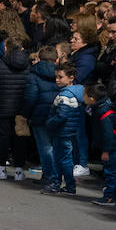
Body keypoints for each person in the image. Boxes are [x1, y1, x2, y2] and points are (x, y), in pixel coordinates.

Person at [0, 40, 30, 180]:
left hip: (2, 107)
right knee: (20, 138)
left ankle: (1, 168)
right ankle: (19, 171)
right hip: (21, 109)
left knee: (2, 137)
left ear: (6, 48)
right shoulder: (28, 66)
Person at [42, 62, 85, 196]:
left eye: (60, 77)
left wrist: (49, 123)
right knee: (66, 158)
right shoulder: (77, 92)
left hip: (61, 131)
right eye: (56, 77)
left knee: (60, 159)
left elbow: (61, 115)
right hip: (69, 130)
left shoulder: (65, 95)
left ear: (71, 78)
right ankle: (68, 185)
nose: (57, 80)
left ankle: (57, 183)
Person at [88, 83, 116, 208]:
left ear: (91, 98)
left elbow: (108, 133)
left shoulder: (103, 111)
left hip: (113, 146)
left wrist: (106, 150)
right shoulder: (106, 106)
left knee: (110, 172)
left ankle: (109, 197)